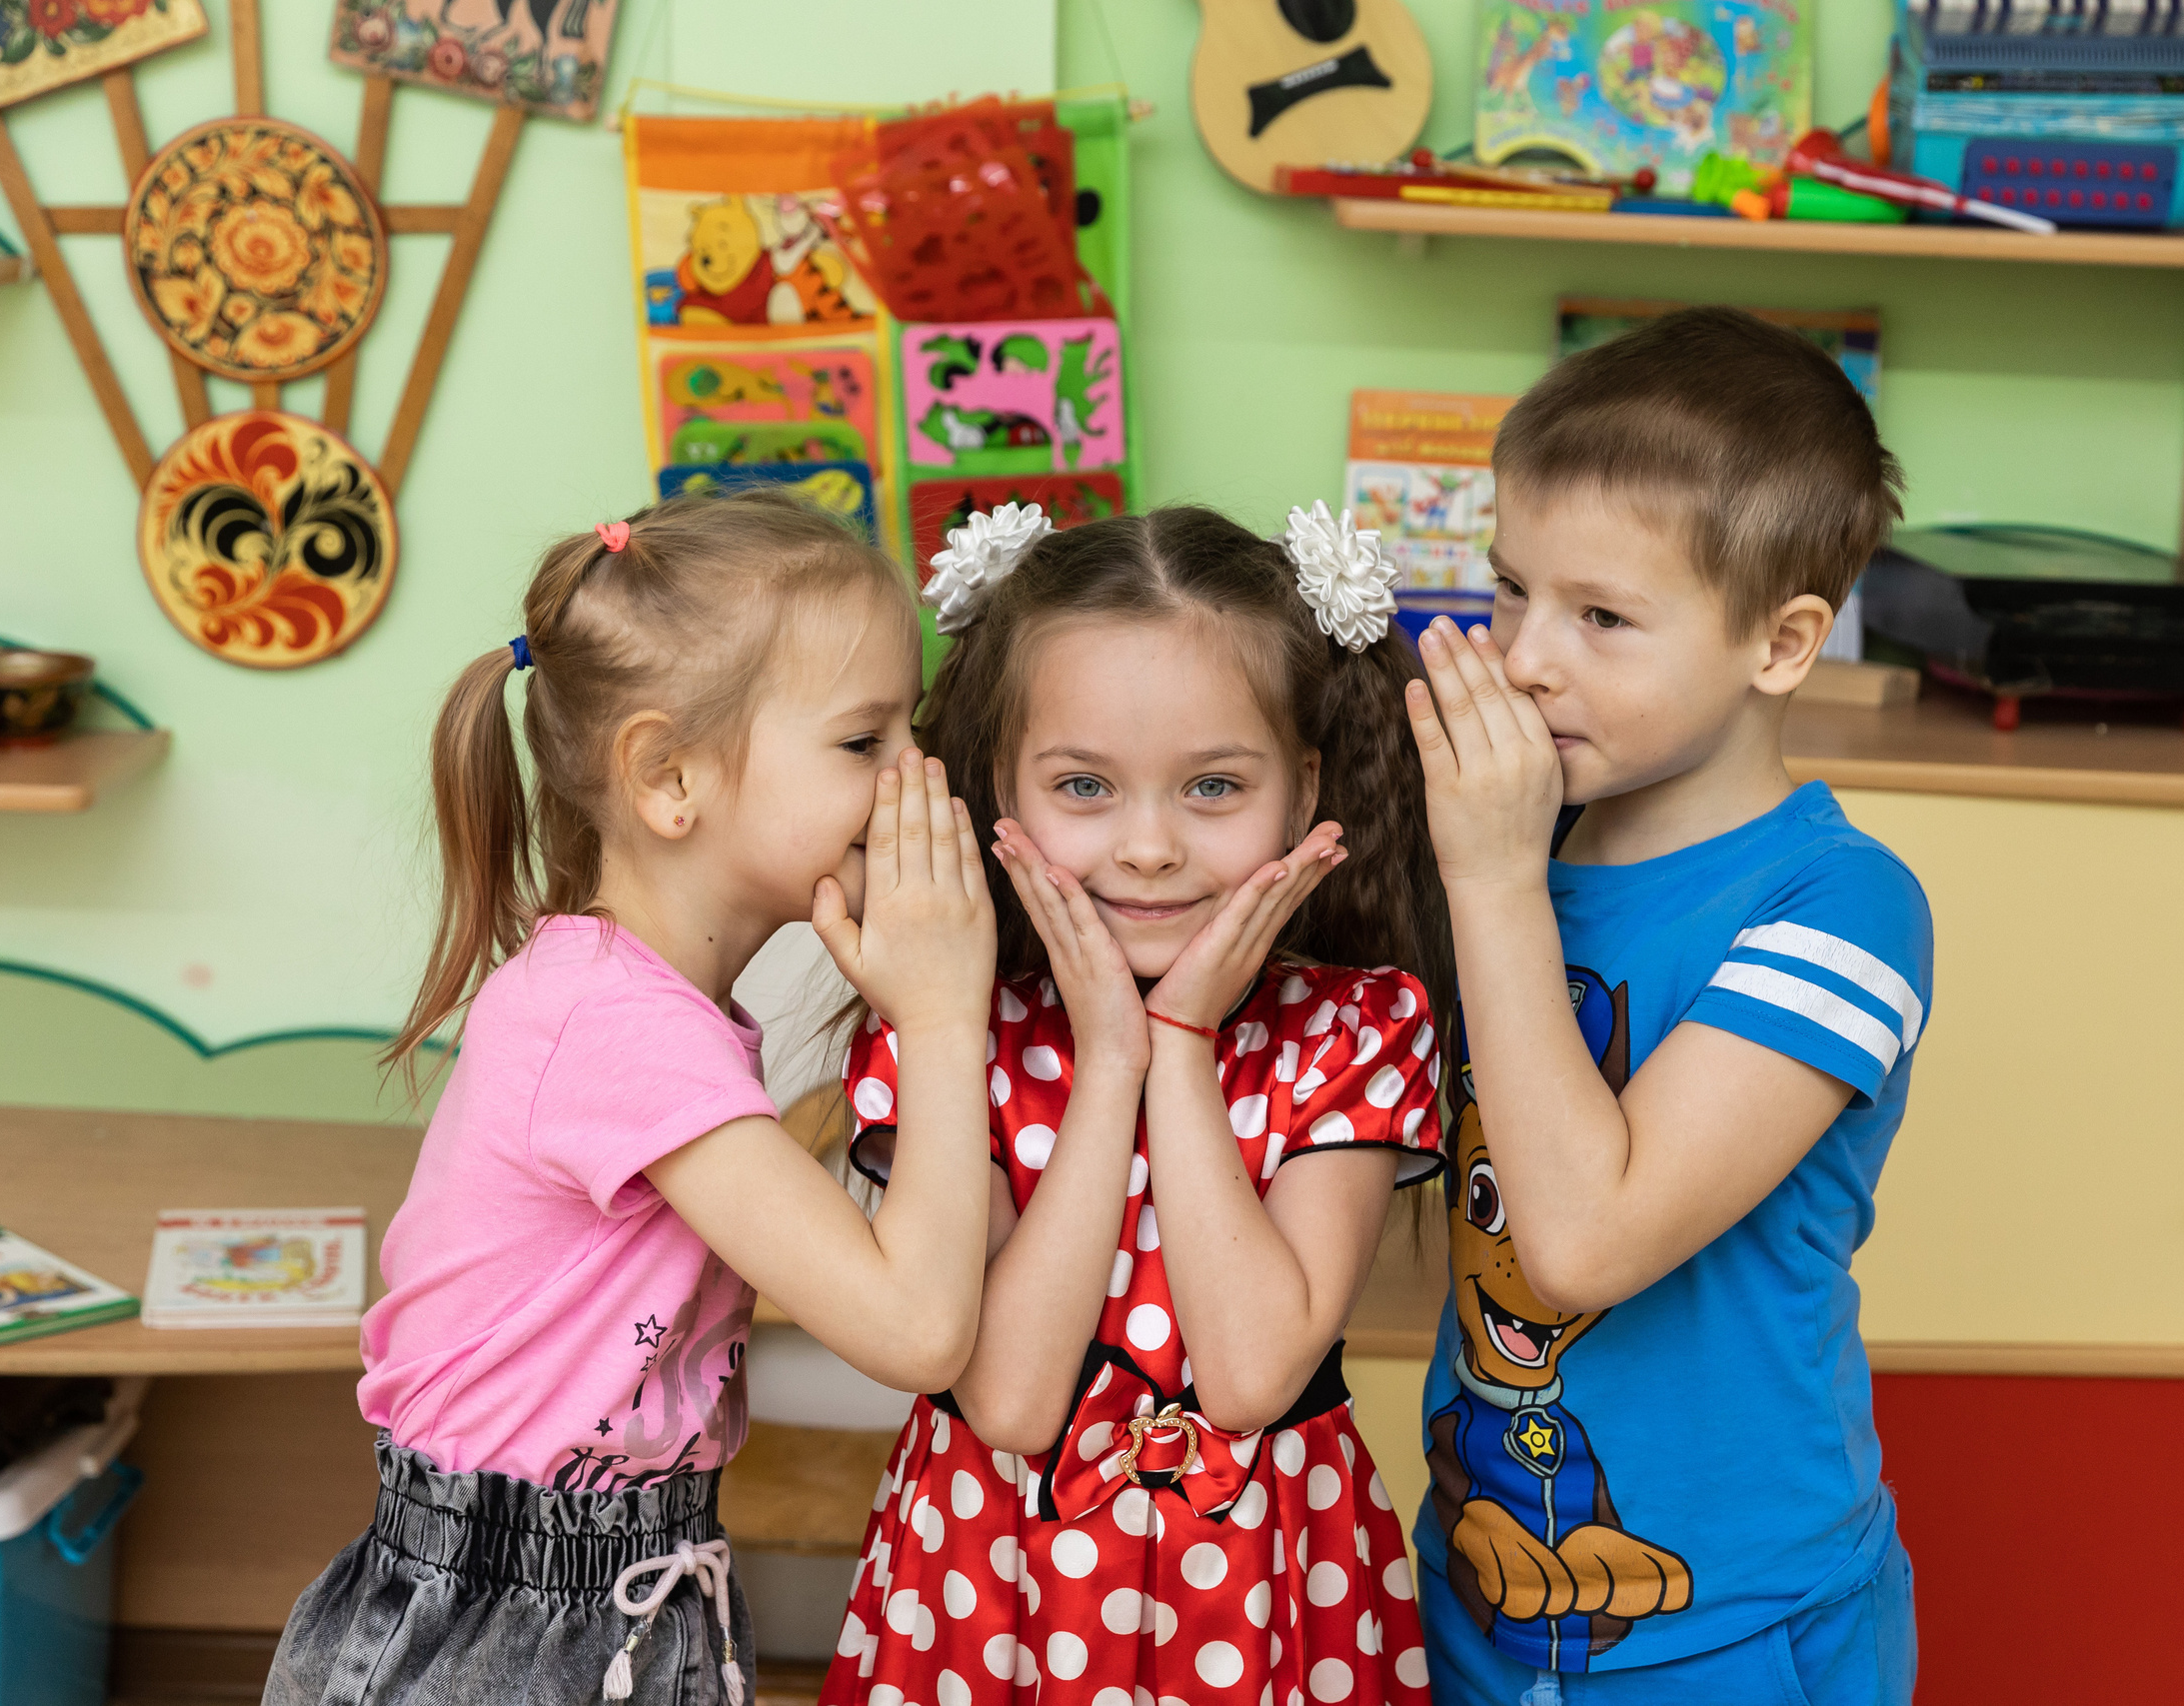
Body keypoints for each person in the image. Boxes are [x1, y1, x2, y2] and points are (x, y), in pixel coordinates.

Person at [266, 491, 1001, 1705]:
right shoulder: (618, 1027)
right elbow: (916, 1330)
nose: (918, 778)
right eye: (866, 741)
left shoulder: (645, 1006)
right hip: (505, 1633)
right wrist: (939, 1013)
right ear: (669, 777)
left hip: (626, 1592)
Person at [820, 503, 1451, 1706]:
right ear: (999, 782)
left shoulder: (1361, 1027)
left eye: (1212, 785)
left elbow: (1253, 1375)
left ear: (1303, 784)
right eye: (1085, 787)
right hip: (987, 1597)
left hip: (1271, 1604)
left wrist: (1180, 1043)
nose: (1149, 847)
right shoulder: (948, 1029)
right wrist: (1109, 1065)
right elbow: (1009, 1398)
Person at [1403, 307, 1931, 1704]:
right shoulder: (1520, 845)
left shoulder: (1841, 906)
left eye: (1602, 618)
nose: (1522, 656)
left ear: (1781, 641)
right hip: (1483, 1585)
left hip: (1736, 1629)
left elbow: (1577, 1244)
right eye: (1510, 589)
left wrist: (1492, 877)